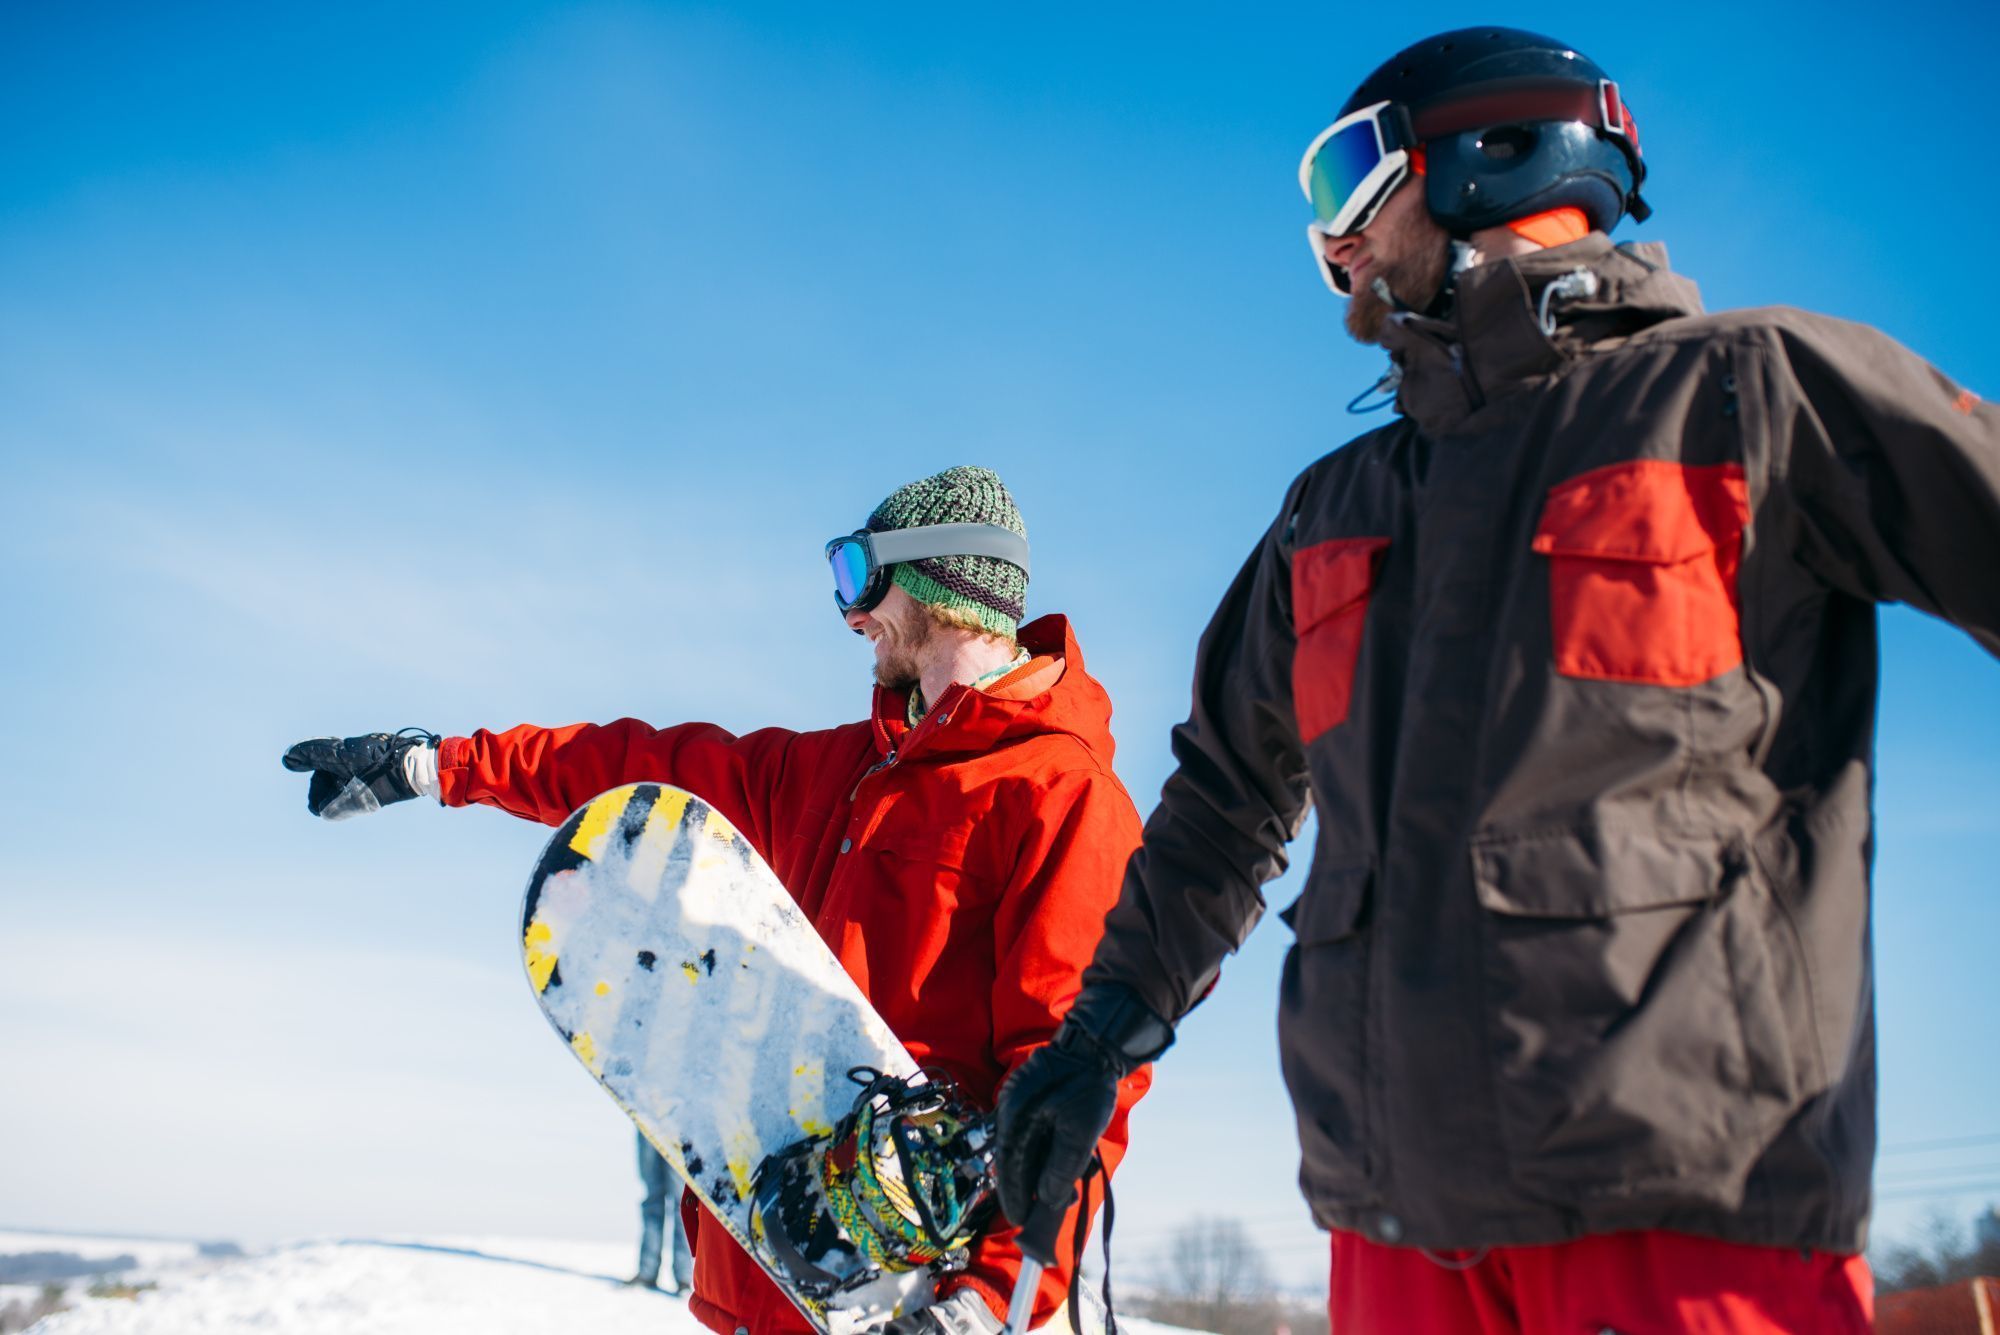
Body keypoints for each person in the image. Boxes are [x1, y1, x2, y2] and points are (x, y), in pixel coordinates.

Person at [994, 27, 1999, 1335]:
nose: (1330, 241)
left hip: (1687, 1212)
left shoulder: (1747, 395)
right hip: (1398, 1227)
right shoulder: (1333, 511)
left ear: (1495, 149)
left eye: (1347, 181)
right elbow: (1220, 809)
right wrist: (1096, 1038)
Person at [284, 465, 1151, 1335]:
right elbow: (638, 767)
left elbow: (1080, 1085)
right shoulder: (839, 771)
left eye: (862, 577)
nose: (852, 613)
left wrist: (987, 1304)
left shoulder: (1062, 800)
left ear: (942, 581)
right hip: (766, 1286)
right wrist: (442, 765)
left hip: (909, 1302)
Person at [630, 1130, 694, 1294]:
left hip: (676, 1127)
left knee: (682, 1203)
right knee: (653, 1199)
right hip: (646, 1123)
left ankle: (683, 1278)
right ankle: (647, 1272)